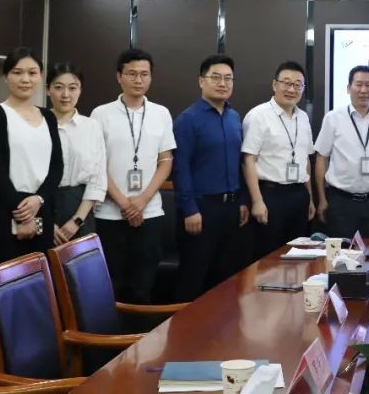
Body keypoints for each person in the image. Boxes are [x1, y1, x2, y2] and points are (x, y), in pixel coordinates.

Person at [90, 48, 175, 304]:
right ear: (119, 77)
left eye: (144, 74)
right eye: (131, 74)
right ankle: (109, 331)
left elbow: (166, 161)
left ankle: (140, 330)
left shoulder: (161, 113)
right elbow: (97, 164)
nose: (138, 80)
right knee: (109, 285)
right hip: (109, 213)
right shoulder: (101, 114)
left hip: (149, 212)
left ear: (151, 77)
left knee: (142, 285)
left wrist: (141, 201)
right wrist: (124, 203)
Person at [172, 54, 250, 300]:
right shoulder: (187, 120)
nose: (222, 83)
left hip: (231, 209)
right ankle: (184, 325)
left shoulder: (234, 117)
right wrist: (189, 209)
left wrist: (243, 200)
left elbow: (239, 163)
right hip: (201, 209)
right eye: (216, 77)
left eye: (228, 78)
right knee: (194, 277)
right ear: (201, 81)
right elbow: (180, 168)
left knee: (226, 279)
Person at [0, 47, 63, 268]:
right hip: (5, 210)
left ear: (41, 76)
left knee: (41, 278)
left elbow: (57, 166)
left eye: (32, 73)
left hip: (41, 208)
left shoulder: (48, 117)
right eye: (17, 72)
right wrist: (22, 212)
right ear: (6, 77)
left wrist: (39, 199)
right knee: (7, 280)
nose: (25, 79)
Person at [314, 65, 369, 238]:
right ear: (348, 88)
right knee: (340, 252)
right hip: (341, 202)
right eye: (358, 84)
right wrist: (322, 199)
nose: (363, 90)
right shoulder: (333, 118)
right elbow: (321, 158)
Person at [242, 61, 316, 261]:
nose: (291, 89)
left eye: (298, 85)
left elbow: (306, 160)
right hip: (270, 196)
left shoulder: (303, 118)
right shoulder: (258, 116)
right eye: (286, 83)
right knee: (268, 258)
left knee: (298, 256)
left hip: (298, 195)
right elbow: (248, 160)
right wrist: (257, 201)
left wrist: (309, 197)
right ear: (274, 85)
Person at [46, 62, 107, 246]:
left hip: (81, 209)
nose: (66, 95)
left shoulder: (91, 127)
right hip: (42, 208)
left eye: (73, 88)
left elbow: (97, 178)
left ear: (80, 90)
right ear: (48, 89)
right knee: (43, 262)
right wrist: (46, 223)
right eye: (58, 87)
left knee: (80, 263)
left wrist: (77, 220)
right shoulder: (37, 124)